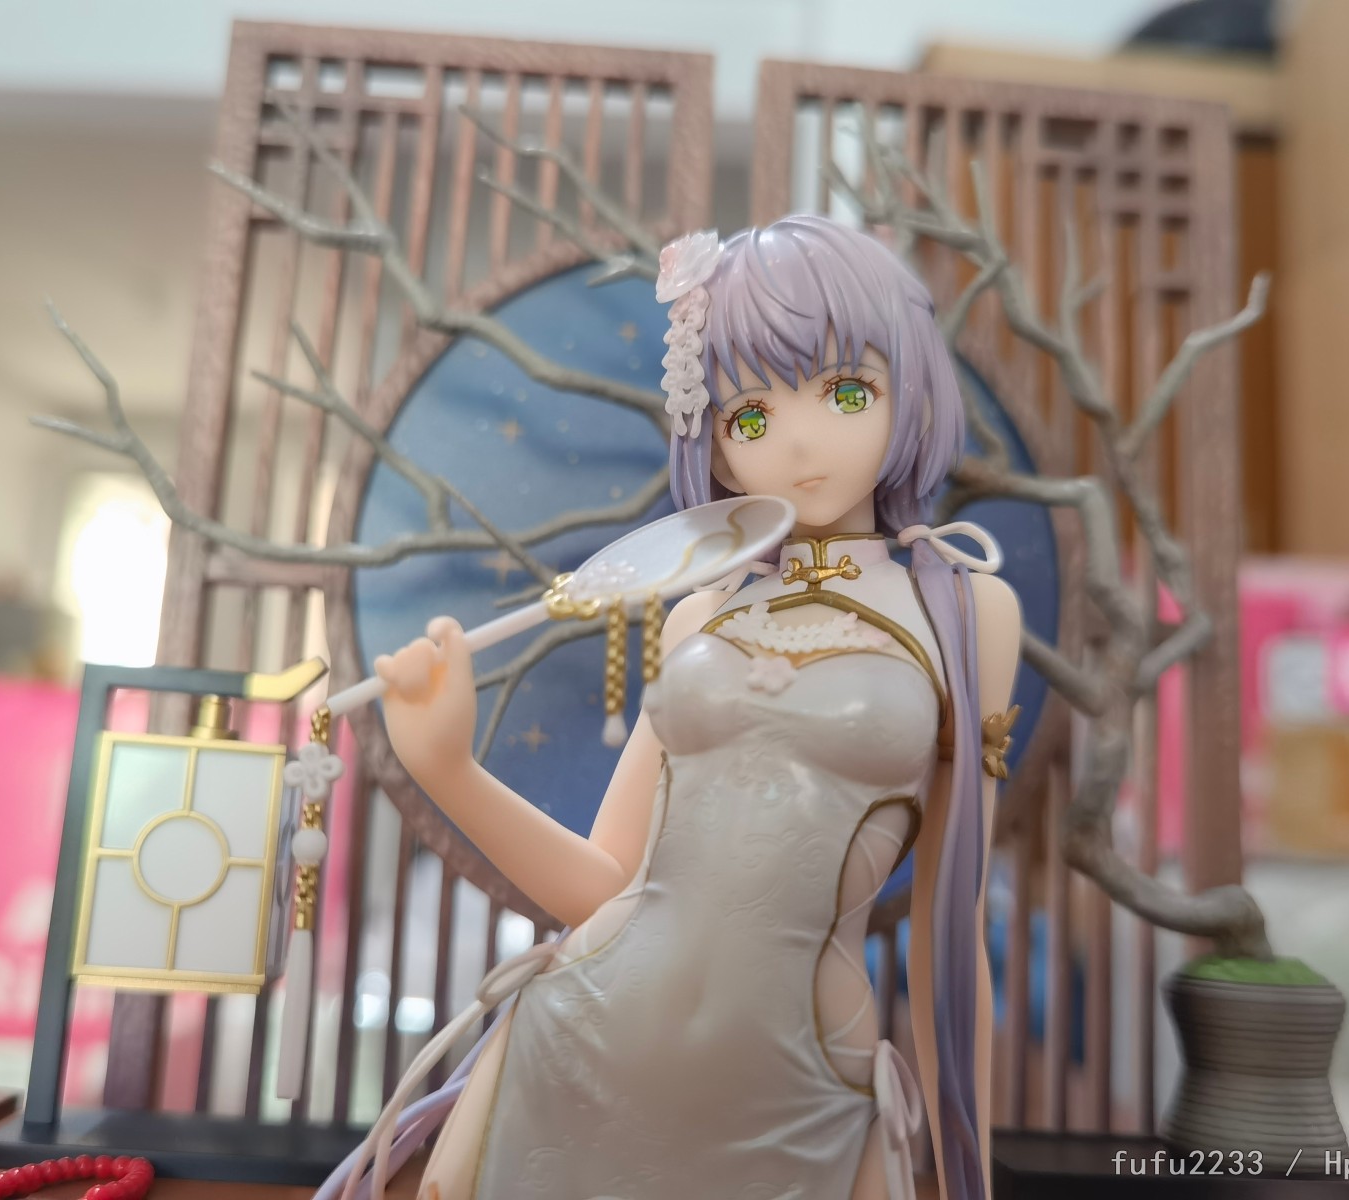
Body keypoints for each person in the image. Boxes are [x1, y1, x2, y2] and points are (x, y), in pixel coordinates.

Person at [338, 214, 1021, 1200]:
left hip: (802, 1079)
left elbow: (953, 929)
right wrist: (447, 768)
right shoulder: (701, 610)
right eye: (750, 417)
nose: (799, 440)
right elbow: (606, 884)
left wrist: (970, 1170)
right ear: (717, 443)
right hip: (584, 1034)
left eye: (845, 392)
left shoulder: (966, 611)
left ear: (907, 387)